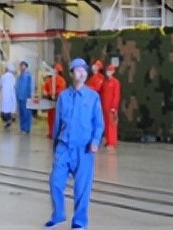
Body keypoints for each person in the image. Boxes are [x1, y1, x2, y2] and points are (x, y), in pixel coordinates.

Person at [45, 57, 104, 229]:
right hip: (64, 147)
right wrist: (55, 147)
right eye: (78, 70)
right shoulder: (63, 97)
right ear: (71, 73)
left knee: (82, 188)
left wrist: (95, 141)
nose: (82, 73)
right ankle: (58, 215)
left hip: (84, 149)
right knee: (55, 182)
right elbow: (57, 124)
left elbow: (99, 123)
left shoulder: (93, 97)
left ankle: (79, 221)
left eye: (84, 70)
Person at [100, 64, 121, 149]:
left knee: (111, 125)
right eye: (107, 70)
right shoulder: (104, 82)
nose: (108, 72)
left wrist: (113, 107)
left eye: (110, 70)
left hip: (111, 108)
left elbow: (116, 95)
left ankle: (112, 143)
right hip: (104, 107)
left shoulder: (116, 82)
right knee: (106, 124)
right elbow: (102, 93)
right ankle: (108, 141)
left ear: (113, 72)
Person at [43, 62, 66, 138]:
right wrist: (45, 91)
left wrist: (54, 93)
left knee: (56, 117)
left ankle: (56, 133)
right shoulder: (51, 79)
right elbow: (45, 86)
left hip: (57, 101)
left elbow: (61, 90)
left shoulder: (61, 80)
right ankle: (51, 133)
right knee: (50, 118)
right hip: (50, 100)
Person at [16, 60, 34, 133]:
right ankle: (22, 128)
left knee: (26, 113)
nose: (21, 67)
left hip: (26, 97)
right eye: (20, 66)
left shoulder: (29, 76)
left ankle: (26, 128)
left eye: (22, 66)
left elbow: (31, 86)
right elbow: (17, 86)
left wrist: (31, 96)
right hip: (20, 97)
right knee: (21, 113)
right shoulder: (19, 76)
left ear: (26, 67)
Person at [0, 64, 17, 129]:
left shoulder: (3, 76)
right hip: (11, 94)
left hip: (4, 94)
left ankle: (8, 120)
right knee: (10, 108)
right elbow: (14, 85)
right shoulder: (13, 77)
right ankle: (10, 118)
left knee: (4, 109)